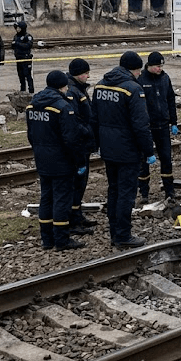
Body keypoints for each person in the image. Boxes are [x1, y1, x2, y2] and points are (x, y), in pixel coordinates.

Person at [89, 51, 155, 248]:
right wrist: (149, 150)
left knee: (114, 190)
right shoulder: (133, 89)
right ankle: (123, 235)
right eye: (138, 71)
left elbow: (94, 119)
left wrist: (96, 145)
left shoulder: (100, 85)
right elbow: (141, 125)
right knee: (126, 193)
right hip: (127, 150)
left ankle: (114, 232)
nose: (138, 75)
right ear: (134, 69)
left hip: (108, 149)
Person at [26, 70, 86, 250]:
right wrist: (79, 160)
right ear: (62, 86)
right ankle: (61, 239)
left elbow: (31, 135)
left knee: (46, 197)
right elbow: (71, 139)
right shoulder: (62, 106)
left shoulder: (32, 105)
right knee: (62, 199)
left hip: (42, 158)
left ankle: (47, 239)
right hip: (61, 160)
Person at [137, 51, 179, 201]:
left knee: (166, 158)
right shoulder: (140, 79)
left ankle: (169, 191)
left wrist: (173, 121)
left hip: (162, 125)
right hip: (147, 127)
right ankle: (144, 193)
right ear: (149, 65)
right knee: (144, 161)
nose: (159, 69)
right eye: (157, 66)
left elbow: (170, 100)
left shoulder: (165, 78)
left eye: (161, 66)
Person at [66, 58, 98, 233]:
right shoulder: (72, 92)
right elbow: (74, 121)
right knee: (76, 183)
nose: (88, 75)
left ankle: (77, 215)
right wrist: (87, 131)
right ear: (78, 74)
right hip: (79, 144)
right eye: (86, 73)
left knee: (81, 183)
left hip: (84, 144)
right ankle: (72, 220)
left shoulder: (79, 89)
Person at [12, 20, 35, 93]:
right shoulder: (16, 36)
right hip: (18, 58)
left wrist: (17, 44)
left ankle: (31, 89)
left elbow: (28, 45)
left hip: (26, 58)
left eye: (19, 28)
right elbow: (13, 45)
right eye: (16, 28)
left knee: (27, 75)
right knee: (20, 75)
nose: (17, 29)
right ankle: (22, 89)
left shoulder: (27, 36)